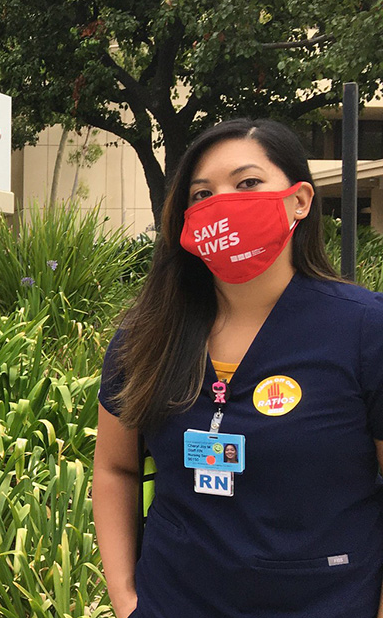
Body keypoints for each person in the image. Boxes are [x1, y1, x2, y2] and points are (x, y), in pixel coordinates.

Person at [93, 119, 383, 618]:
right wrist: (126, 599)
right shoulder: (147, 335)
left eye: (247, 183)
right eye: (201, 194)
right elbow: (115, 467)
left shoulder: (365, 329)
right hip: (173, 602)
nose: (221, 203)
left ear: (300, 200)